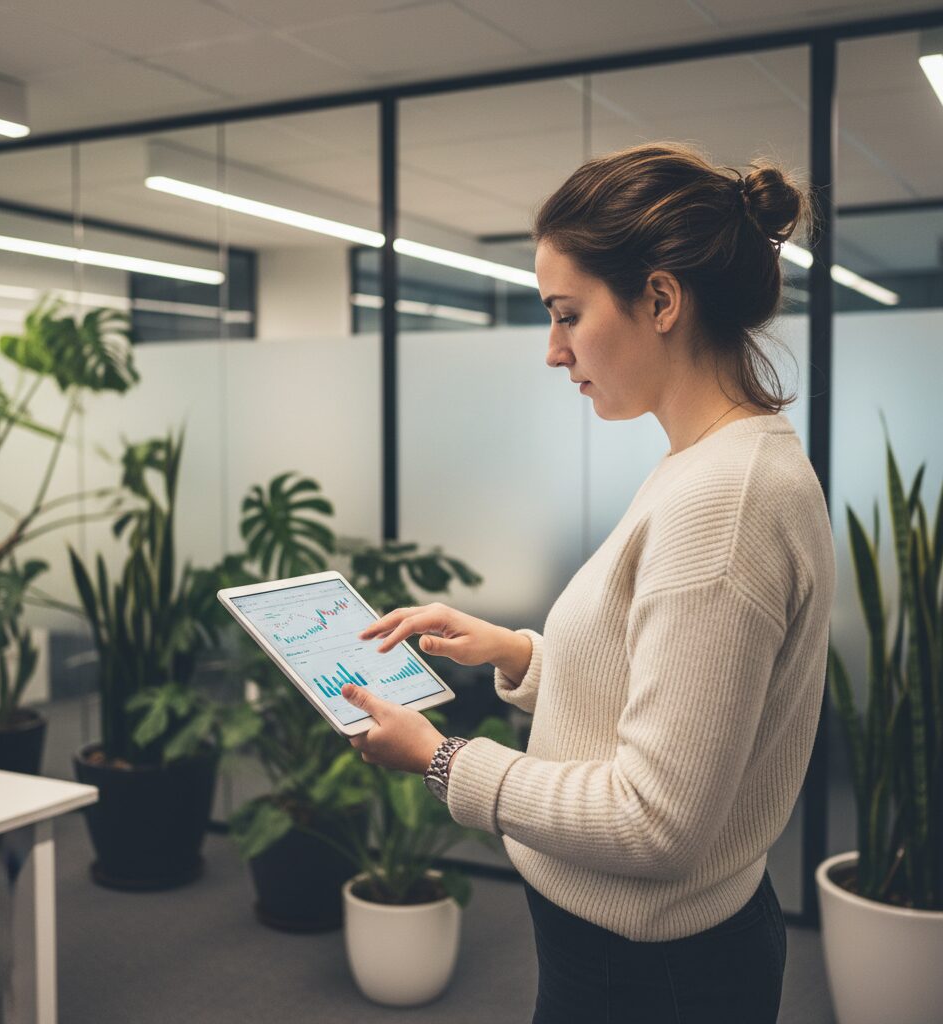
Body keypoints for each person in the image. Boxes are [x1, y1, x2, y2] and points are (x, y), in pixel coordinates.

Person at [338, 142, 835, 1024]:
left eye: (567, 314)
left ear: (659, 299)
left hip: (650, 973)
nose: (553, 351)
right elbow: (670, 681)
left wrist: (442, 760)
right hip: (652, 950)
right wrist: (522, 654)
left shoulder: (724, 502)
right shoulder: (716, 463)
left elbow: (656, 820)